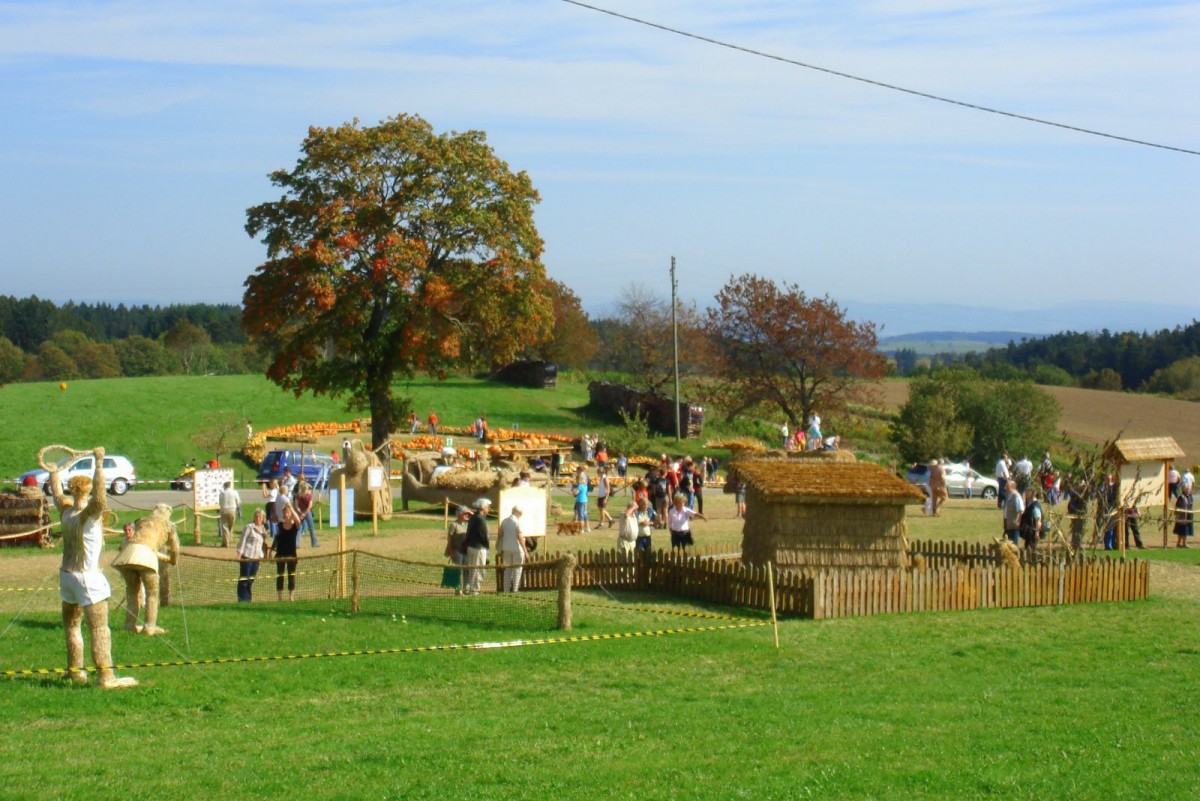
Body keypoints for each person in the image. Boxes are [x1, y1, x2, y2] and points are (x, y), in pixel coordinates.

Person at [48, 447, 137, 689]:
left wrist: (54, 473)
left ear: (72, 490)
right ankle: (106, 676)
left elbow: (56, 495)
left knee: (72, 625)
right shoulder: (88, 516)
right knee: (99, 628)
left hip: (66, 576)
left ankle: (75, 671)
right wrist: (99, 464)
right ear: (85, 490)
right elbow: (100, 500)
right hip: (88, 576)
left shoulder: (66, 512)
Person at [111, 503, 179, 635]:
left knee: (132, 592)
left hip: (127, 556)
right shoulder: (169, 526)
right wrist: (173, 560)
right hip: (145, 558)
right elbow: (175, 549)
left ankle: (129, 625)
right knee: (152, 593)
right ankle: (149, 627)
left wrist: (167, 559)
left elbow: (146, 547)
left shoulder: (142, 522)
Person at [236, 509, 269, 602]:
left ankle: (248, 598)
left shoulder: (263, 530)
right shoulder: (249, 527)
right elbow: (242, 541)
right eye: (256, 517)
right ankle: (242, 598)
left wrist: (263, 555)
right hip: (247, 557)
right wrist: (239, 554)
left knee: (251, 579)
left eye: (260, 517)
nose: (258, 518)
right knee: (244, 579)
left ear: (263, 519)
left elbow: (262, 544)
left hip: (256, 559)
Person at [464, 498, 492, 594]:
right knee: (478, 569)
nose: (489, 509)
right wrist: (488, 547)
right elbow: (484, 535)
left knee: (473, 569)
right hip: (479, 548)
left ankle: (473, 588)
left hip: (471, 546)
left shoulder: (473, 517)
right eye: (488, 507)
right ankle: (475, 590)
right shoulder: (480, 519)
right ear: (483, 507)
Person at [273, 505, 301, 601]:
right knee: (280, 575)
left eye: (289, 513)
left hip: (291, 554)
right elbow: (276, 539)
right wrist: (271, 551)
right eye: (285, 513)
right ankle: (279, 597)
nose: (287, 515)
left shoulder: (294, 526)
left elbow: (298, 520)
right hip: (280, 554)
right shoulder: (280, 526)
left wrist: (291, 508)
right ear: (283, 515)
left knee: (291, 575)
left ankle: (291, 597)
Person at [497, 505, 528, 593]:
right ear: (517, 513)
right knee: (517, 569)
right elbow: (520, 537)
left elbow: (500, 534)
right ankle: (515, 589)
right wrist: (525, 550)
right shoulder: (517, 522)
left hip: (506, 548)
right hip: (517, 549)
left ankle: (506, 589)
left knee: (508, 569)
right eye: (521, 513)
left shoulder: (504, 521)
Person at [445, 505, 471, 595]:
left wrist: (470, 512)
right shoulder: (453, 525)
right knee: (458, 570)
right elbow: (449, 540)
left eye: (467, 513)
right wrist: (451, 552)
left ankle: (466, 588)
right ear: (459, 514)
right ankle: (458, 588)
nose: (467, 515)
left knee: (467, 569)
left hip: (466, 551)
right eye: (465, 513)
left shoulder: (468, 524)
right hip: (457, 550)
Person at [1065, 478, 1088, 550]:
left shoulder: (1084, 493)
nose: (1080, 486)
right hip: (1075, 512)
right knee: (1075, 529)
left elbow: (1083, 499)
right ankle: (1075, 544)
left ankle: (1077, 544)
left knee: (1080, 529)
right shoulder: (1075, 492)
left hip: (1081, 512)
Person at [217, 481, 241, 548]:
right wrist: (239, 510)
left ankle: (226, 542)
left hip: (224, 510)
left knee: (224, 526)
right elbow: (238, 501)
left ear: (224, 486)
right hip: (232, 510)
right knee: (230, 526)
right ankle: (226, 541)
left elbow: (220, 502)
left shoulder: (222, 493)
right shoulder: (234, 492)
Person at [294, 481, 317, 548]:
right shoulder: (309, 496)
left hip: (299, 513)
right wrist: (304, 513)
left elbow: (296, 506)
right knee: (311, 528)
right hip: (307, 512)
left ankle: (296, 543)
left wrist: (300, 513)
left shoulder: (297, 496)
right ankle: (314, 543)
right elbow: (310, 506)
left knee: (298, 528)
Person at [1002, 480, 1024, 546]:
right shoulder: (1008, 496)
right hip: (1008, 524)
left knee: (1013, 544)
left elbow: (1020, 510)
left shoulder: (1016, 496)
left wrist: (1018, 522)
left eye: (1007, 487)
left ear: (1012, 487)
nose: (1005, 488)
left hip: (1014, 524)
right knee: (1007, 542)